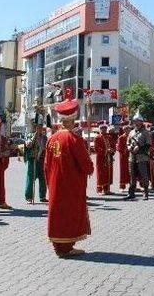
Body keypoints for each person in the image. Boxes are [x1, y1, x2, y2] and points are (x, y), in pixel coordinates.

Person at [44, 88, 94, 258]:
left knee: (57, 212)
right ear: (73, 118)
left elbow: (46, 164)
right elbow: (85, 162)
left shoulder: (52, 138)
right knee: (69, 213)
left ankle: (59, 246)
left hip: (54, 182)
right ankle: (66, 248)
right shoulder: (73, 139)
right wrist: (90, 168)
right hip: (70, 184)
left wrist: (49, 181)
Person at [125, 112, 152, 200]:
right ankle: (131, 193)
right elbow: (128, 142)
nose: (136, 122)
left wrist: (139, 147)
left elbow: (148, 144)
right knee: (132, 176)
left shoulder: (146, 132)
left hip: (141, 156)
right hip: (132, 156)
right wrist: (129, 147)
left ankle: (145, 193)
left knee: (144, 175)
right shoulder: (131, 132)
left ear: (141, 122)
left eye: (138, 121)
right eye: (135, 121)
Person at [24, 118, 48, 204]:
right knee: (31, 179)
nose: (40, 129)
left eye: (41, 127)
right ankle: (29, 197)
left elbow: (46, 147)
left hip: (41, 160)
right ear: (35, 127)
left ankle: (42, 196)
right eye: (38, 127)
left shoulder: (44, 137)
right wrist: (35, 135)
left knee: (43, 178)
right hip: (32, 160)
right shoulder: (30, 135)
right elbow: (28, 145)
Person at [95, 124, 115, 195]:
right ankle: (100, 190)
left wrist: (112, 150)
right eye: (102, 128)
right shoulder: (98, 137)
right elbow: (97, 148)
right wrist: (106, 150)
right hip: (101, 159)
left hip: (109, 158)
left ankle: (107, 189)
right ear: (100, 129)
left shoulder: (109, 137)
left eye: (105, 128)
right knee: (101, 174)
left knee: (108, 173)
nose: (104, 130)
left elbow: (113, 145)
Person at [116, 123, 131, 192]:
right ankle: (122, 186)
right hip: (124, 157)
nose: (127, 130)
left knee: (133, 171)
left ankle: (133, 185)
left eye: (128, 129)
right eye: (126, 129)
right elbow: (119, 148)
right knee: (123, 171)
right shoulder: (121, 137)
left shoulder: (132, 136)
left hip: (132, 155)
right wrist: (125, 150)